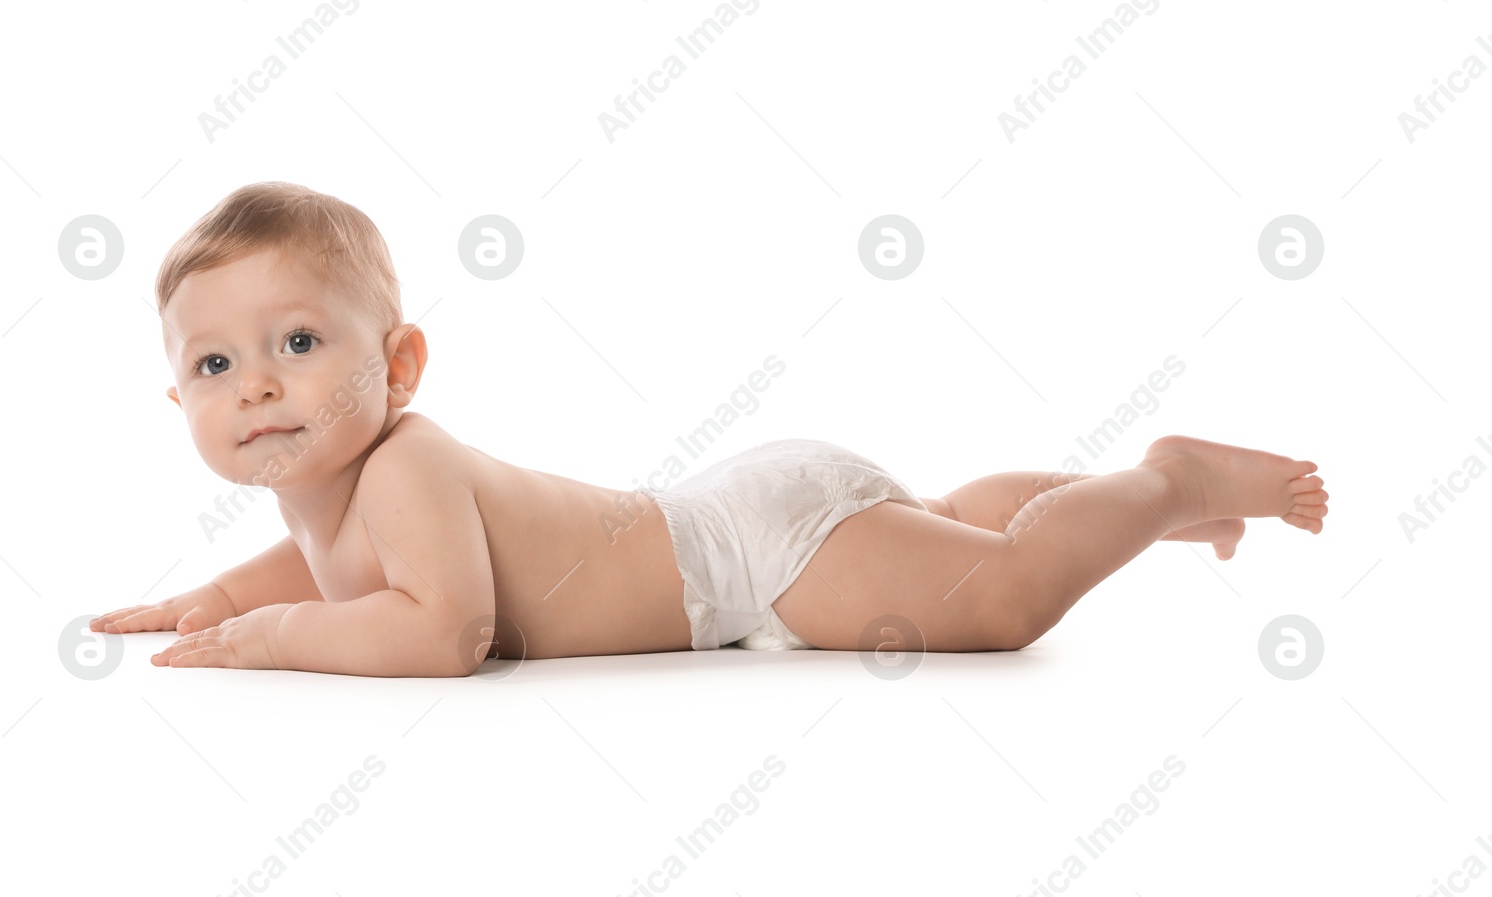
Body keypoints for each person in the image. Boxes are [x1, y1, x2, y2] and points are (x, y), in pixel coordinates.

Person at [90, 182, 1329, 677]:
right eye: (214, 365)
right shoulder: (328, 499)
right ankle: (1121, 505)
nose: (256, 385)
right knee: (942, 527)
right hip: (748, 513)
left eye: (298, 343)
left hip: (753, 562)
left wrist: (269, 640)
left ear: (399, 365)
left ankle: (1165, 481)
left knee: (995, 606)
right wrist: (206, 599)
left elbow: (446, 631)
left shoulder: (405, 462)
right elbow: (316, 567)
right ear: (179, 402)